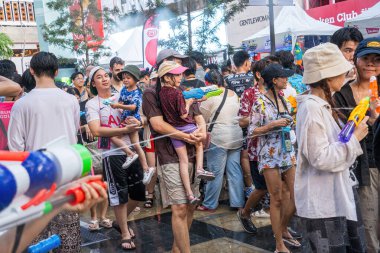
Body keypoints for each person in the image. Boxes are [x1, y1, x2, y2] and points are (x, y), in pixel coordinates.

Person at [296, 42, 368, 252]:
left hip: (334, 197)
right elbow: (320, 158)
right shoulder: (311, 108)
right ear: (327, 76)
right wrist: (355, 138)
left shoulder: (322, 105)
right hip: (323, 205)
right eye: (340, 71)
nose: (345, 75)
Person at [7, 52, 81, 252]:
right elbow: (73, 134)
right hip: (67, 178)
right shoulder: (71, 101)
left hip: (34, 183)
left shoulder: (21, 104)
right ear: (56, 72)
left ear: (31, 71)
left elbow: (15, 149)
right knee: (68, 240)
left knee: (35, 243)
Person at [142, 48, 204, 253]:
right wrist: (187, 136)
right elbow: (158, 125)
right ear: (163, 69)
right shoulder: (151, 93)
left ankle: (177, 249)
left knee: (190, 204)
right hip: (169, 155)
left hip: (192, 151)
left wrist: (201, 132)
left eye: (181, 67)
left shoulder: (183, 91)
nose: (180, 72)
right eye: (175, 66)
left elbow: (198, 116)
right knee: (178, 206)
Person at [86, 66, 146, 250]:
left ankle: (120, 222)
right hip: (112, 153)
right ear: (93, 83)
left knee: (138, 194)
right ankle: (125, 233)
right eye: (99, 77)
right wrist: (123, 130)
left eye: (106, 75)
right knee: (120, 194)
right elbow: (96, 130)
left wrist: (139, 122)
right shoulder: (91, 104)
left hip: (132, 149)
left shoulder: (122, 95)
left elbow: (142, 115)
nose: (104, 79)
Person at [333, 37, 380, 252]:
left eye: (377, 60)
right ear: (355, 61)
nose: (371, 64)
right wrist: (368, 119)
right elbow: (341, 136)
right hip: (364, 167)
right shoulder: (342, 95)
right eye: (366, 58)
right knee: (369, 223)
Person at [249, 63, 298, 253]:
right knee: (276, 198)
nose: (286, 79)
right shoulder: (260, 102)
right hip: (269, 155)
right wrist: (272, 125)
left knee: (296, 195)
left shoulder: (284, 98)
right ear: (274, 80)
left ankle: (283, 227)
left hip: (287, 152)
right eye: (283, 77)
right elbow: (252, 131)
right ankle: (279, 243)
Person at [1, 175, 107, 253]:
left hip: (43, 197)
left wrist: (59, 197)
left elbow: (7, 245)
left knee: (68, 244)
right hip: (30, 197)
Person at [157, 61, 214, 204]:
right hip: (186, 126)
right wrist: (188, 103)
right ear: (166, 77)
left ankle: (189, 195)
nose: (180, 77)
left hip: (174, 130)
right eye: (177, 75)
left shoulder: (162, 93)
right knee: (199, 143)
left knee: (183, 160)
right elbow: (183, 114)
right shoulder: (177, 93)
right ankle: (200, 169)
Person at [198, 69, 245, 212]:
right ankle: (238, 203)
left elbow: (202, 118)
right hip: (236, 136)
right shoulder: (233, 94)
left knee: (215, 172)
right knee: (235, 171)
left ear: (208, 83)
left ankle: (210, 203)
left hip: (219, 138)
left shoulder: (210, 96)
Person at [111, 65, 155, 184]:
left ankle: (130, 154)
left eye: (128, 78)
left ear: (136, 79)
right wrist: (118, 105)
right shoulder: (124, 90)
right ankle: (146, 169)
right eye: (124, 78)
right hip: (126, 118)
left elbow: (133, 107)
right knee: (136, 144)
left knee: (114, 137)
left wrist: (118, 106)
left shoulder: (137, 92)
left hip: (131, 120)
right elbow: (121, 101)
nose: (125, 80)